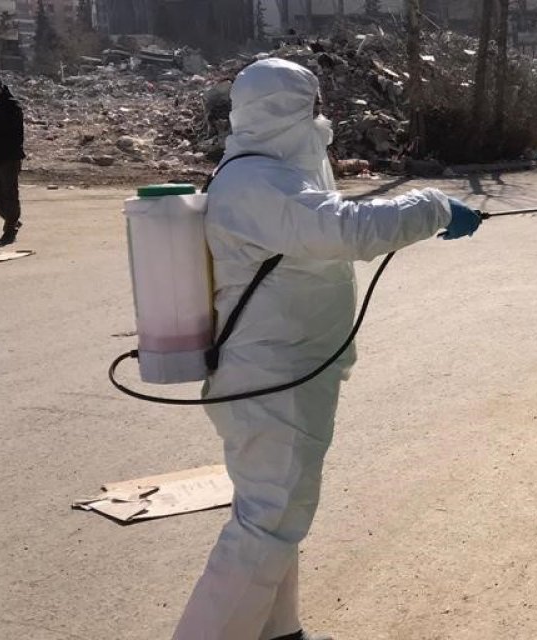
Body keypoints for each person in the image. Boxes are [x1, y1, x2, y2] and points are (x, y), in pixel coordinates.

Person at [172, 58, 481, 640]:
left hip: (283, 374)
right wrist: (434, 207)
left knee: (274, 516)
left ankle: (278, 632)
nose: (324, 121)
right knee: (267, 524)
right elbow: (345, 230)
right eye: (315, 108)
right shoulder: (257, 182)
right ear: (293, 112)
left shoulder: (267, 174)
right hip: (272, 380)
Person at [0, 74, 25, 245]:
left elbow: (9, 130)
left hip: (8, 158)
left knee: (9, 194)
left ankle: (10, 229)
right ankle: (13, 220)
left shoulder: (12, 106)